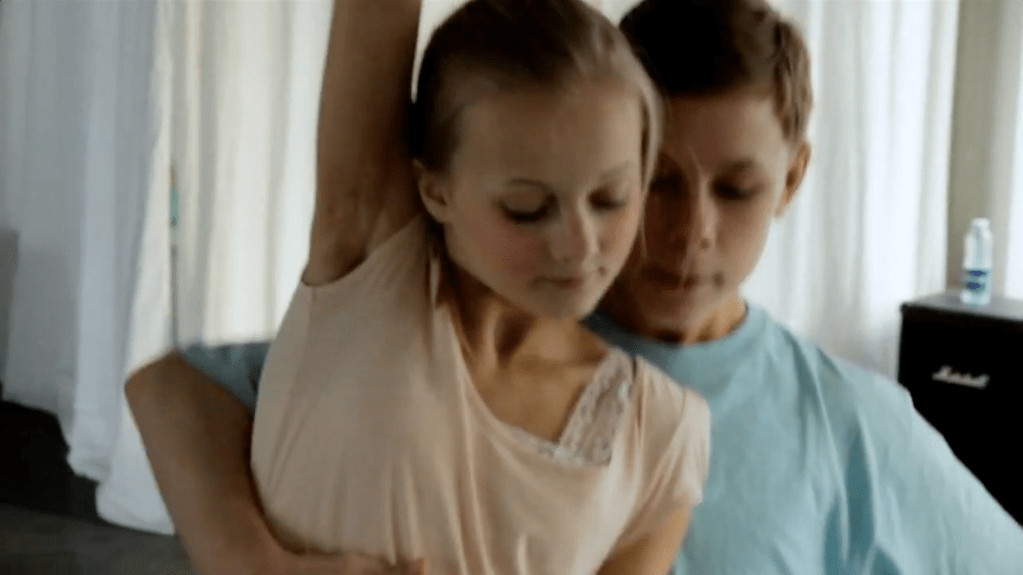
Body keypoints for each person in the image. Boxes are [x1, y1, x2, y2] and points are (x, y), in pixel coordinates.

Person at [128, 0, 1023, 574]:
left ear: (791, 179)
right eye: (657, 183)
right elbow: (174, 389)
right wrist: (248, 557)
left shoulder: (822, 425)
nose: (691, 230)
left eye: (736, 188)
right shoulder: (416, 302)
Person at [131, 0, 712, 574]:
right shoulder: (372, 268)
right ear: (435, 190)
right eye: (527, 208)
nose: (579, 245)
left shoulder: (661, 434)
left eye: (610, 198)